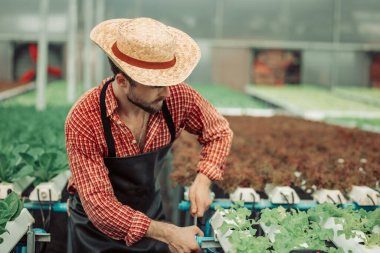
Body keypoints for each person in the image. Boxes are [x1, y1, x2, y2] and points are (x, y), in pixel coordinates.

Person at [65, 17, 233, 253]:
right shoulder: (86, 117)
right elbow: (101, 208)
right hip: (95, 233)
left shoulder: (176, 97)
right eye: (156, 85)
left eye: (169, 80)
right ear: (123, 82)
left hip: (149, 214)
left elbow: (219, 131)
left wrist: (203, 180)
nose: (167, 92)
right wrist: (169, 233)